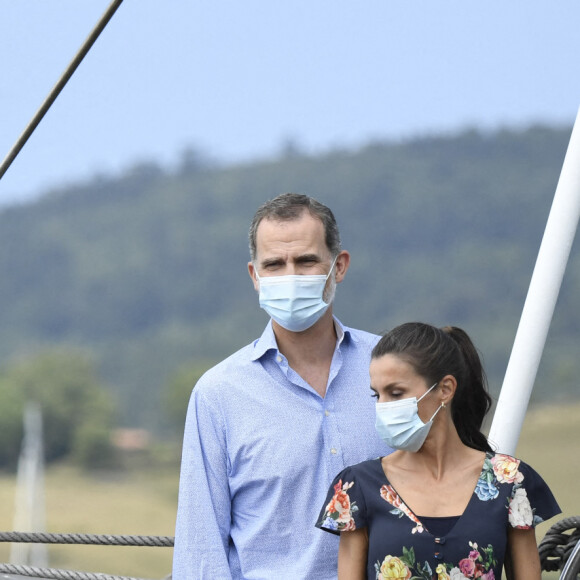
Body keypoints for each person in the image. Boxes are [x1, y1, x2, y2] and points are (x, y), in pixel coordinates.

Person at [173, 193, 392, 579]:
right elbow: (201, 549)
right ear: (255, 277)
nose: (290, 276)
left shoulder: (393, 368)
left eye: (306, 261)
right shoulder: (218, 394)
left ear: (338, 266)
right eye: (274, 264)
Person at [316, 322, 561, 580]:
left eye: (396, 393)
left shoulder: (510, 481)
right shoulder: (356, 487)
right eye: (377, 395)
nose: (383, 407)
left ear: (445, 389)